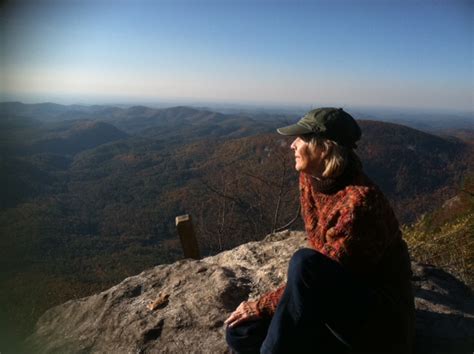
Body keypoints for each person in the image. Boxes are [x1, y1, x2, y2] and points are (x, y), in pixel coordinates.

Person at [224, 108, 415, 354]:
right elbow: (319, 272)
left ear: (323, 149)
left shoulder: (360, 203)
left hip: (381, 329)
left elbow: (321, 269)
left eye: (300, 138)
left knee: (304, 262)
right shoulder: (311, 177)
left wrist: (261, 305)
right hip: (335, 306)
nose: (292, 144)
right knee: (240, 333)